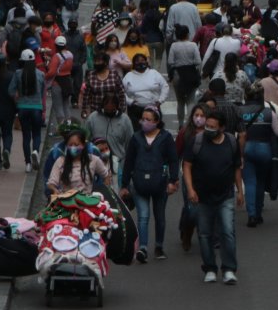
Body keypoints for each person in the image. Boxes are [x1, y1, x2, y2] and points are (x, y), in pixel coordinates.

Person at [181, 110, 244, 285]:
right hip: (202, 197)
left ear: (222, 128)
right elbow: (187, 166)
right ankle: (209, 268)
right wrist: (190, 189)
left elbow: (236, 167)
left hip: (226, 196)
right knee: (204, 234)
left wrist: (240, 191)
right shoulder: (197, 141)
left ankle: (229, 269)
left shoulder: (231, 142)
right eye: (207, 126)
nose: (208, 129)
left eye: (212, 127)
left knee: (228, 233)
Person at [120, 106, 180, 262]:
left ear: (157, 122)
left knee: (160, 216)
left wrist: (173, 180)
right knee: (143, 216)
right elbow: (129, 162)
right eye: (142, 119)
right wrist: (124, 185)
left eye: (148, 119)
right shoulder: (136, 138)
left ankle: (159, 246)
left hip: (161, 183)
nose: (144, 122)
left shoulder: (166, 138)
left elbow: (174, 160)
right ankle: (143, 248)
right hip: (139, 183)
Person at [237, 84, 278, 227]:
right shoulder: (269, 112)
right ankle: (258, 213)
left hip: (246, 149)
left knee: (250, 182)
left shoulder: (239, 111)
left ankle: (251, 215)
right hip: (265, 150)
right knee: (261, 182)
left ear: (246, 96)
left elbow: (236, 133)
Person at [11, 48, 47, 172]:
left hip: (22, 108)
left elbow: (11, 90)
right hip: (36, 108)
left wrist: (17, 99)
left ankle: (27, 163)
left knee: (26, 136)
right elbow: (43, 93)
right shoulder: (41, 74)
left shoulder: (17, 73)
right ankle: (36, 151)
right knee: (37, 133)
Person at [48, 128, 111, 195]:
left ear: (83, 145)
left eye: (76, 145)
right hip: (66, 202)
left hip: (87, 201)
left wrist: (104, 193)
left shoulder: (93, 160)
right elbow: (51, 183)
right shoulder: (60, 161)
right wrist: (54, 190)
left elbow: (106, 175)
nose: (73, 147)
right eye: (70, 145)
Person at [124, 54, 171, 125]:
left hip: (153, 108)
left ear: (146, 62)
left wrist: (160, 100)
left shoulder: (154, 73)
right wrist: (130, 102)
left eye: (142, 60)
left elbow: (165, 86)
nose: (140, 62)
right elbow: (121, 91)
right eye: (137, 61)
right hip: (135, 110)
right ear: (133, 63)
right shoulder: (128, 76)